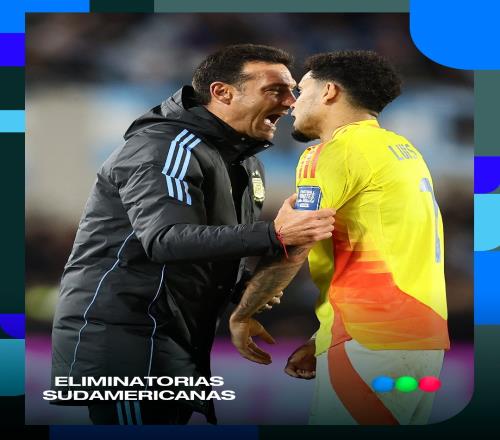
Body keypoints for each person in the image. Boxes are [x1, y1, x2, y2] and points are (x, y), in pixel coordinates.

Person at [50, 44, 335, 425]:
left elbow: (210, 251)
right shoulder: (166, 146)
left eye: (292, 91)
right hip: (129, 339)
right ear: (222, 92)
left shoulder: (246, 164)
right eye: (274, 90)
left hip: (174, 339)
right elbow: (166, 240)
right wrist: (274, 233)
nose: (290, 102)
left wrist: (244, 297)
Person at [229, 50, 450, 425]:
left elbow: (296, 241)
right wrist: (324, 335)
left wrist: (243, 313)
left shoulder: (333, 151)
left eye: (301, 90)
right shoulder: (402, 151)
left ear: (329, 91)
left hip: (371, 338)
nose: (292, 103)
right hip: (421, 342)